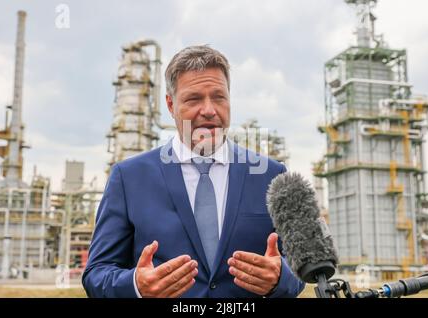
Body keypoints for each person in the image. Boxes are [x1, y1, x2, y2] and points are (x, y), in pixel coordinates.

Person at [82, 45, 305, 298]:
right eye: (194, 99)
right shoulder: (129, 178)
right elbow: (96, 273)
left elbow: (301, 268)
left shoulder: (271, 175)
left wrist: (279, 279)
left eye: (219, 97)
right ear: (170, 104)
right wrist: (135, 285)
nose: (209, 109)